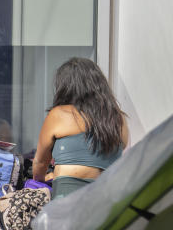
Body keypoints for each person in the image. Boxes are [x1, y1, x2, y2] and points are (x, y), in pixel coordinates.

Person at [32, 57, 128, 199]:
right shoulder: (118, 118)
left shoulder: (59, 114)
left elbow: (40, 163)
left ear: (65, 87)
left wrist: (39, 180)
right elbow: (120, 151)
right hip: (108, 195)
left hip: (69, 194)